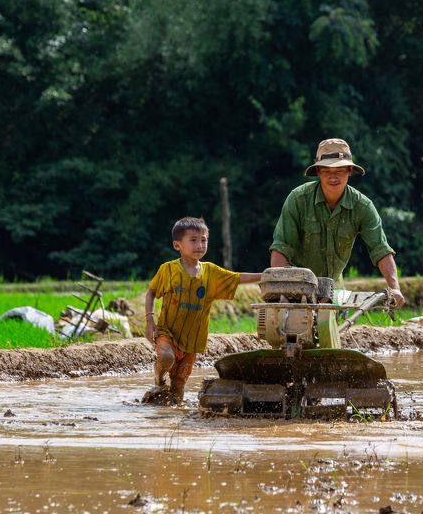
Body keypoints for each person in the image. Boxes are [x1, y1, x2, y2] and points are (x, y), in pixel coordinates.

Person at [269, 138, 405, 307]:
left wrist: (394, 288)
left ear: (349, 171)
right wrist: (284, 291)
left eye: (340, 170)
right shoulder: (298, 199)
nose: (333, 176)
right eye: (326, 170)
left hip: (335, 291)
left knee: (332, 329)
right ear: (318, 171)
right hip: (297, 288)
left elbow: (380, 249)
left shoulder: (362, 206)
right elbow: (281, 248)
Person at [144, 216, 262, 404]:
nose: (199, 245)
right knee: (166, 357)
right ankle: (158, 378)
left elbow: (237, 278)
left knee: (179, 386)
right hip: (168, 331)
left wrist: (265, 276)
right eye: (193, 240)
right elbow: (151, 292)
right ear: (177, 245)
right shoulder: (168, 270)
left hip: (192, 340)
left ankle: (170, 419)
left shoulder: (211, 273)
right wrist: (150, 321)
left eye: (203, 240)